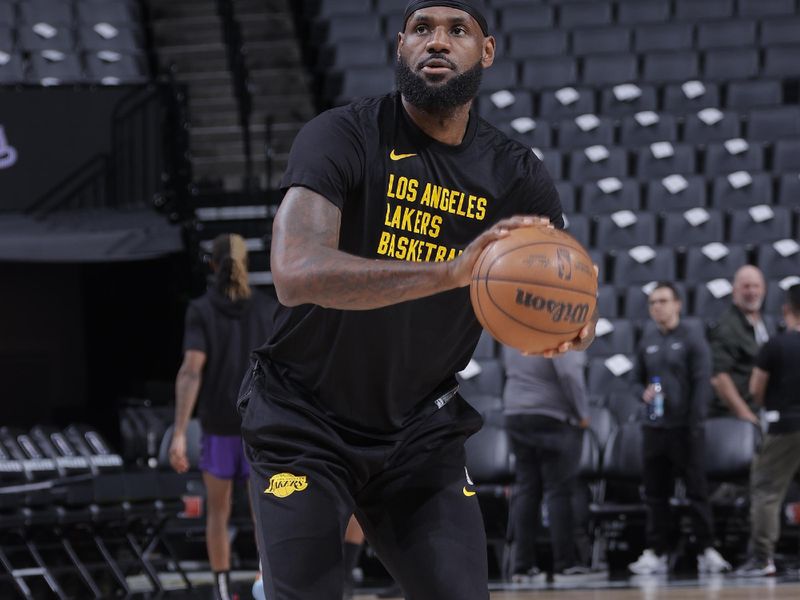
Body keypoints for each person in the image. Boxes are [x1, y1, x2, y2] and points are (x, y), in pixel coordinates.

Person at [236, 2, 598, 598]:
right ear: (399, 46)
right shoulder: (343, 134)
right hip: (303, 419)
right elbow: (295, 271)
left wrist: (572, 322)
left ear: (486, 51)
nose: (438, 41)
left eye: (458, 30)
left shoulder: (515, 173)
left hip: (418, 430)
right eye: (423, 29)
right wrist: (452, 270)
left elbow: (563, 285)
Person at [169, 234, 275, 600]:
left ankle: (221, 587)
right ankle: (267, 584)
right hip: (259, 427)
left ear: (212, 265)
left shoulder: (201, 310)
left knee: (218, 512)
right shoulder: (266, 307)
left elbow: (191, 371)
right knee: (265, 512)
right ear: (247, 264)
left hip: (218, 427)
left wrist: (180, 432)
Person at [627, 283, 731, 575]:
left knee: (697, 492)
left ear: (677, 304)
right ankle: (657, 551)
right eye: (652, 303)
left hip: (685, 428)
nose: (656, 307)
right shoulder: (646, 340)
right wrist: (642, 393)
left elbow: (701, 384)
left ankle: (706, 549)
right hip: (654, 428)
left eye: (662, 301)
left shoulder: (692, 339)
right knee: (656, 494)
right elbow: (635, 381)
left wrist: (695, 423)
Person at [501, 347, 601, 583]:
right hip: (552, 414)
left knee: (526, 490)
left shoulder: (515, 325)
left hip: (515, 411)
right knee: (559, 491)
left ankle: (522, 567)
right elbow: (569, 373)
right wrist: (583, 413)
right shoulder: (560, 322)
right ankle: (564, 564)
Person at [735, 284, 800, 577]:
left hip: (785, 426)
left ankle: (762, 559)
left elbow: (755, 390)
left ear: (786, 310)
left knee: (766, 490)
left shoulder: (776, 345)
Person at [708, 265, 774, 424]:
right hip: (736, 416)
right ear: (734, 290)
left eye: (756, 286)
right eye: (746, 286)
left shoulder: (766, 322)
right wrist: (745, 414)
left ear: (764, 289)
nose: (752, 292)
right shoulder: (727, 327)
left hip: (762, 409)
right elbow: (719, 377)